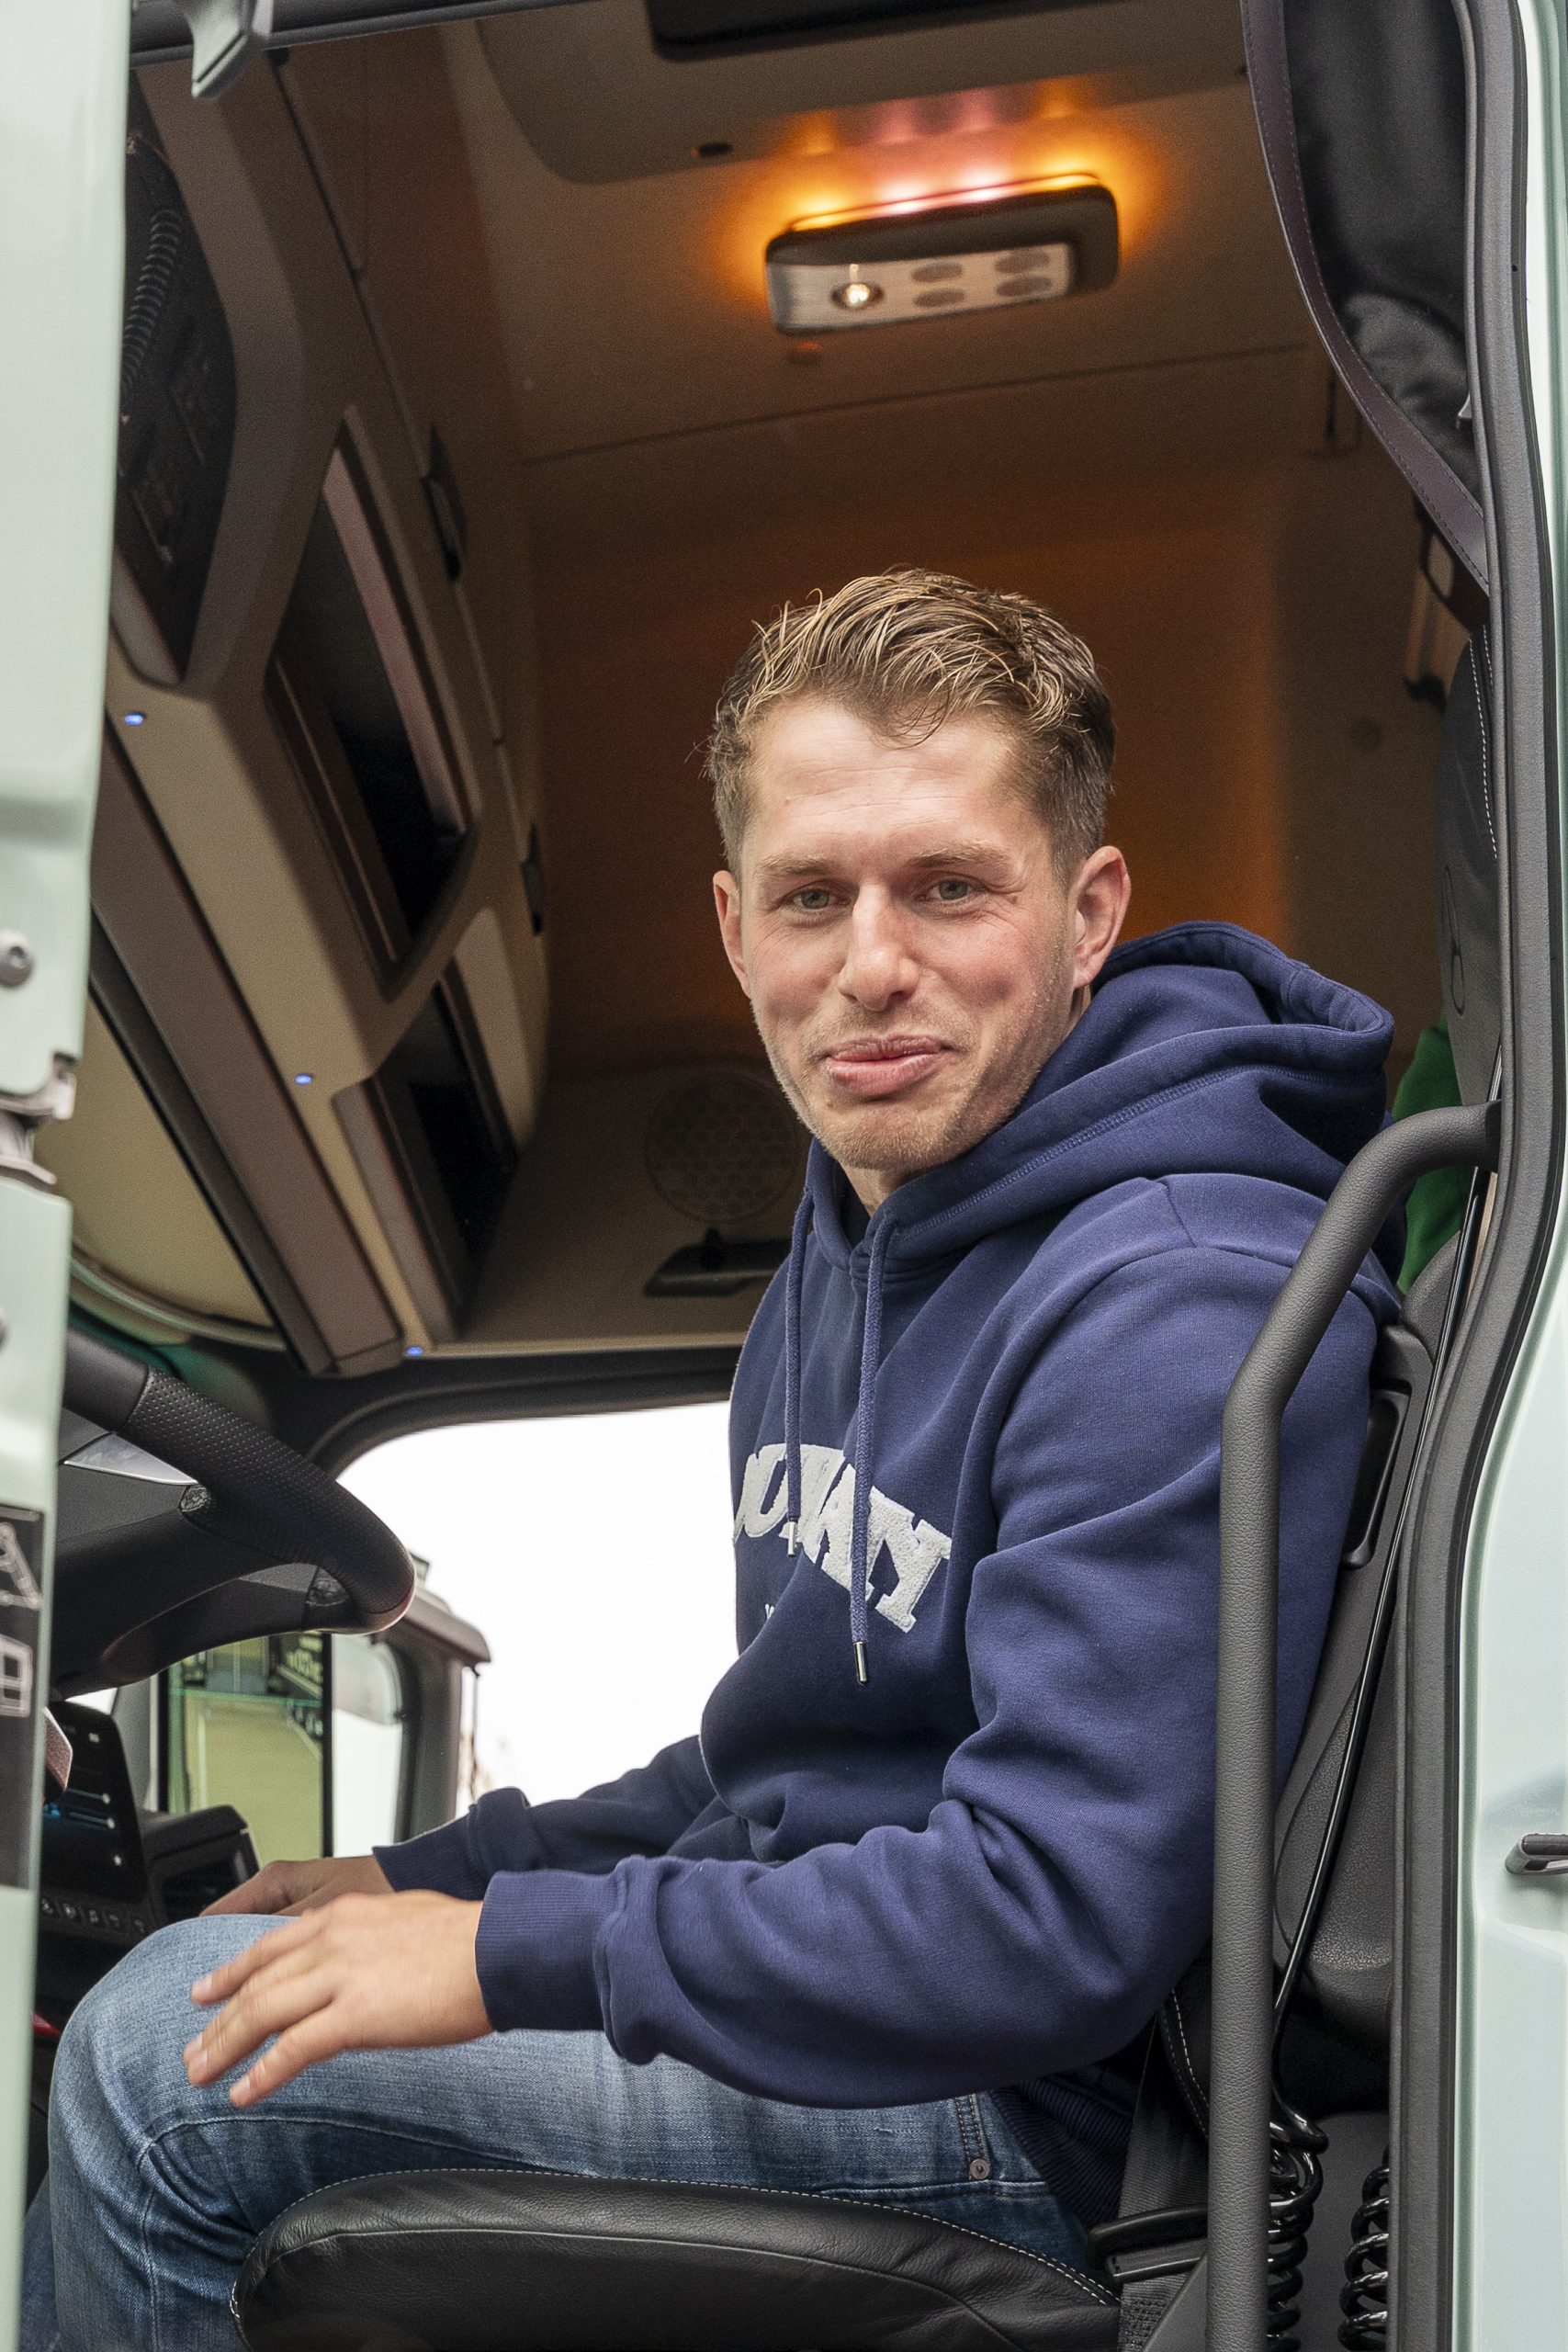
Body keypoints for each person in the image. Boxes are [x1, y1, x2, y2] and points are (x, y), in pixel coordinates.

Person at [22, 570, 1399, 2348]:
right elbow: (773, 1769)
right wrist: (426, 1881)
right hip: (882, 2033)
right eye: (814, 895)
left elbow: (1048, 1916)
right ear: (737, 929)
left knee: (159, 2069)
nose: (872, 963)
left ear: (1086, 914)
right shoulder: (851, 1240)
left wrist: (506, 1953)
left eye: (950, 886)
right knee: (204, 1981)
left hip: (1025, 2113)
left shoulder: (1172, 1295)